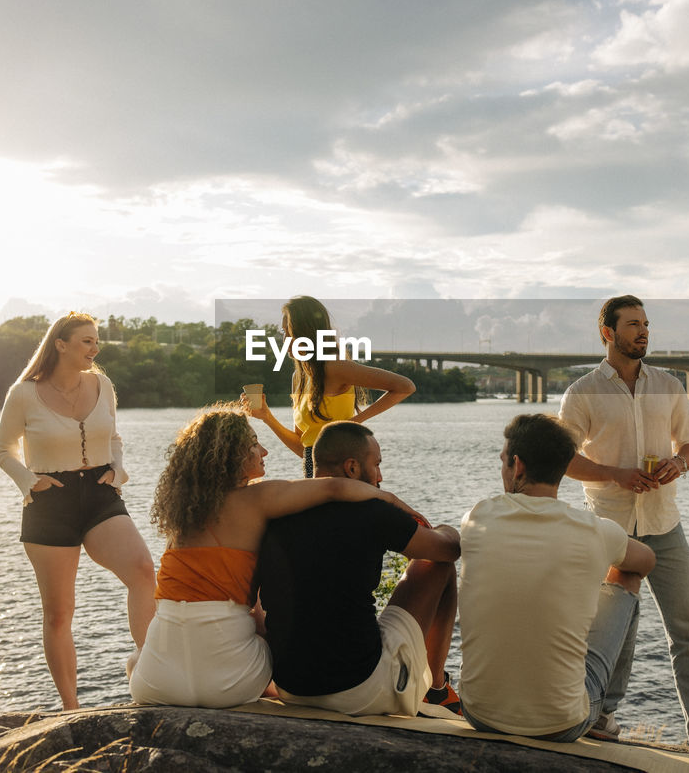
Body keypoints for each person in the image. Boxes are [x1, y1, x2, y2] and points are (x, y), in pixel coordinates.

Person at [129, 405, 420, 708]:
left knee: (137, 657)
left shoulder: (181, 520)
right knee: (273, 637)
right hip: (231, 685)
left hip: (156, 684)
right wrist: (389, 499)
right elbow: (333, 487)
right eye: (254, 443)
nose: (264, 451)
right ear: (231, 455)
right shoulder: (256, 499)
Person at [558, 295, 689, 751]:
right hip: (611, 530)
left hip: (665, 525)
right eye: (632, 325)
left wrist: (679, 464)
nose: (643, 332)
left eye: (646, 324)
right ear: (608, 333)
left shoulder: (669, 386)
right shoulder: (582, 392)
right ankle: (601, 717)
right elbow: (562, 459)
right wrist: (614, 474)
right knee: (615, 630)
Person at [0, 312, 156, 710]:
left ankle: (154, 674)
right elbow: (2, 451)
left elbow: (113, 436)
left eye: (96, 341)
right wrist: (30, 482)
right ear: (60, 345)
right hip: (50, 502)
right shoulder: (24, 394)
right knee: (59, 612)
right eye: (86, 341)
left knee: (142, 570)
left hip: (101, 494)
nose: (94, 348)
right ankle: (71, 709)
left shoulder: (102, 385)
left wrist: (118, 470)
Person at [458, 413, 656, 741]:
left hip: (478, 712)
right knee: (628, 575)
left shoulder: (476, 517)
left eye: (503, 462)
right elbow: (647, 561)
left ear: (517, 466)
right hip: (562, 725)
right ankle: (604, 714)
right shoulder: (594, 530)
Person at [256, 420, 460, 717]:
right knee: (436, 564)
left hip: (290, 687)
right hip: (359, 691)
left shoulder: (276, 514)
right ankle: (437, 689)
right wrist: (446, 528)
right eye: (376, 464)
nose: (380, 475)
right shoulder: (374, 512)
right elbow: (448, 550)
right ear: (352, 468)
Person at [246, 296, 415, 477]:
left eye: (288, 330)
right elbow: (304, 450)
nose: (284, 337)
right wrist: (267, 417)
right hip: (314, 475)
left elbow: (404, 386)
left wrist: (351, 424)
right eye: (283, 331)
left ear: (304, 331)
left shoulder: (333, 366)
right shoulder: (299, 377)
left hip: (342, 473)